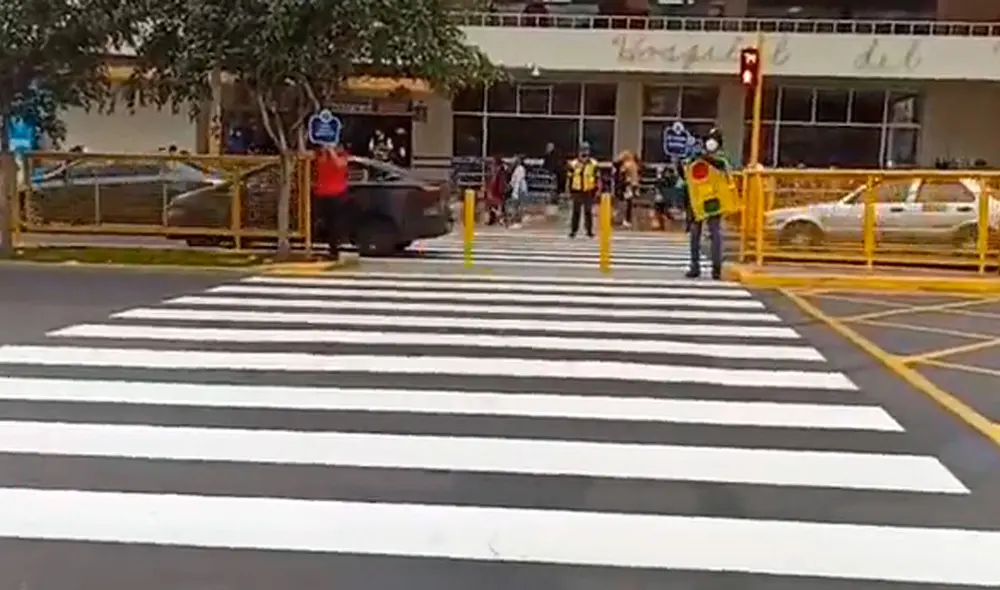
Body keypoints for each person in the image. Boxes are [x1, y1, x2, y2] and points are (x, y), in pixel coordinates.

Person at [682, 128, 731, 280]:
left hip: (714, 200)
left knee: (715, 233)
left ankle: (716, 268)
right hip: (697, 200)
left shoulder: (721, 158)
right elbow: (687, 176)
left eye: (714, 139)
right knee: (695, 233)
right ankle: (694, 266)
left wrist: (704, 158)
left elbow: (723, 168)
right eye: (709, 139)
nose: (711, 142)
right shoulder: (696, 156)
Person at [312, 143, 351, 261]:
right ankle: (327, 246)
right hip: (322, 194)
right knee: (323, 222)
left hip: (337, 195)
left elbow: (339, 164)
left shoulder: (343, 157)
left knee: (334, 223)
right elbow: (320, 164)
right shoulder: (322, 157)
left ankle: (334, 249)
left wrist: (331, 151)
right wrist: (324, 150)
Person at [566, 142, 600, 238]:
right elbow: (569, 178)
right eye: (582, 151)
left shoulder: (593, 164)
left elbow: (597, 178)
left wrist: (598, 190)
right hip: (577, 190)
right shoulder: (573, 164)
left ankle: (589, 231)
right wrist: (568, 191)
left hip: (589, 190)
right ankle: (573, 231)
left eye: (586, 151)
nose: (584, 154)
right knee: (576, 211)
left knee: (588, 211)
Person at [507, 155, 527, 229]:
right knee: (516, 206)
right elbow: (513, 181)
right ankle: (515, 221)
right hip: (518, 189)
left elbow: (518, 181)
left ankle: (517, 222)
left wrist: (515, 192)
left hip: (519, 189)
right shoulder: (517, 169)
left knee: (517, 206)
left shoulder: (520, 169)